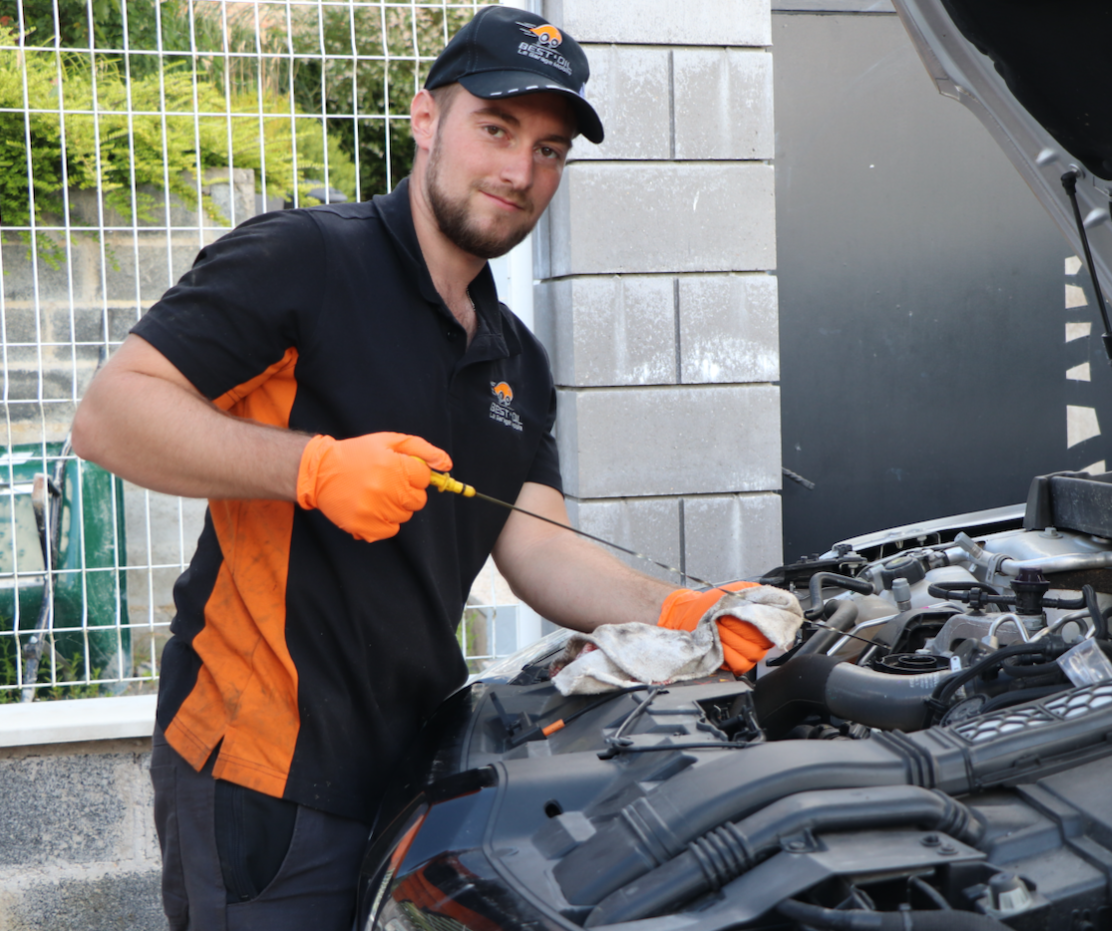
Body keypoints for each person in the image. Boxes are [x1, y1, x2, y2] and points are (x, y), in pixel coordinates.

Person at [70, 6, 795, 930]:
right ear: (425, 119)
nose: (519, 170)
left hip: (418, 765)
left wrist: (682, 613)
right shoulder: (305, 260)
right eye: (496, 128)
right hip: (265, 768)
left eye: (549, 150)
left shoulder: (516, 359)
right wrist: (315, 468)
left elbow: (537, 550)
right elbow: (111, 414)